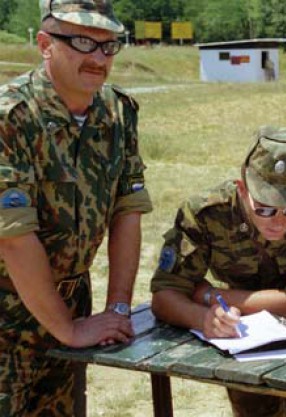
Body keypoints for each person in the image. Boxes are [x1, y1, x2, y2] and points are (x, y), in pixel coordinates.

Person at [0, 0, 152, 415]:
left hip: (71, 304)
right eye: (83, 42)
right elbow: (12, 236)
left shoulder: (118, 112)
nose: (98, 58)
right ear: (45, 44)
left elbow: (127, 208)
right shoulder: (11, 116)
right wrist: (67, 329)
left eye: (109, 45)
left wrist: (118, 308)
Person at [151, 126, 286, 417]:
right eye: (265, 209)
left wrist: (208, 294)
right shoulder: (206, 213)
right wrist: (204, 319)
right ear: (242, 189)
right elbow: (165, 293)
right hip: (241, 334)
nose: (279, 221)